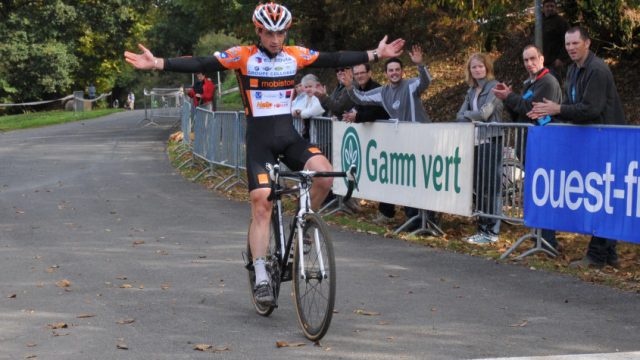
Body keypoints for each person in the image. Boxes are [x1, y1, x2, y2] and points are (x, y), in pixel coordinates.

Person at [124, 2, 405, 306]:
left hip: (288, 136)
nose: (275, 38)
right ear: (258, 31)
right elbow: (203, 63)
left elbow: (334, 57)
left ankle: (303, 224)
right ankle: (260, 275)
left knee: (323, 175)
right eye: (269, 32)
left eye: (281, 32)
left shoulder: (295, 55)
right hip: (259, 139)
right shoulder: (243, 56)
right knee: (262, 203)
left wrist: (376, 55)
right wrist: (158, 63)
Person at [528, 26, 626, 268]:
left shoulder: (598, 70)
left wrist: (558, 109)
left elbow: (591, 108)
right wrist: (549, 116)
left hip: (608, 142)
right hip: (590, 143)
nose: (571, 48)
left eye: (575, 43)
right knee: (601, 199)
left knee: (604, 199)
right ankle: (608, 255)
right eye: (567, 44)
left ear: (587, 44)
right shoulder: (572, 70)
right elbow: (573, 106)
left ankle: (597, 256)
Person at [343, 45, 435, 230]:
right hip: (401, 143)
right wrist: (349, 87)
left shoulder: (410, 85)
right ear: (386, 73)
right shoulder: (382, 92)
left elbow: (425, 82)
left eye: (397, 70)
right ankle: (413, 219)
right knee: (407, 180)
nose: (394, 73)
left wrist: (420, 65)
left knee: (421, 182)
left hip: (421, 140)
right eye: (390, 70)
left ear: (402, 71)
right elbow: (361, 98)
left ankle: (426, 220)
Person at [493, 44, 562, 250]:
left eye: (533, 59)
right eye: (525, 60)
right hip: (528, 144)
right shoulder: (529, 84)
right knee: (535, 192)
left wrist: (512, 99)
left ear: (541, 59)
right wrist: (508, 100)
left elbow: (531, 109)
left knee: (544, 191)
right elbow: (520, 113)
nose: (529, 64)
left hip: (544, 145)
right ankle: (538, 236)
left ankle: (548, 240)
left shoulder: (548, 82)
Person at [456, 53, 504, 244]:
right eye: (473, 67)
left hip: (491, 140)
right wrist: (469, 114)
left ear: (487, 68)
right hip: (475, 141)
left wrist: (467, 114)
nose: (477, 70)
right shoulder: (471, 91)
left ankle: (492, 231)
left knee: (491, 188)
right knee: (480, 187)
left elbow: (485, 114)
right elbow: (458, 114)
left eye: (480, 66)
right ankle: (482, 228)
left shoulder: (495, 87)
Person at [542, 0, 570, 83]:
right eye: (547, 6)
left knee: (554, 86)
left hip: (554, 64)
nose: (550, 8)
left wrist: (561, 58)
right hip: (541, 62)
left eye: (552, 6)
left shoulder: (561, 22)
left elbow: (568, 41)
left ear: (556, 8)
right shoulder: (540, 22)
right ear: (543, 8)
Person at [291, 74, 325, 141]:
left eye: (310, 86)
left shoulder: (318, 98)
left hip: (319, 138)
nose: (308, 89)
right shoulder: (305, 98)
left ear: (316, 86)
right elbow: (292, 109)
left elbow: (312, 111)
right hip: (307, 135)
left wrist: (299, 112)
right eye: (306, 87)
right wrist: (297, 112)